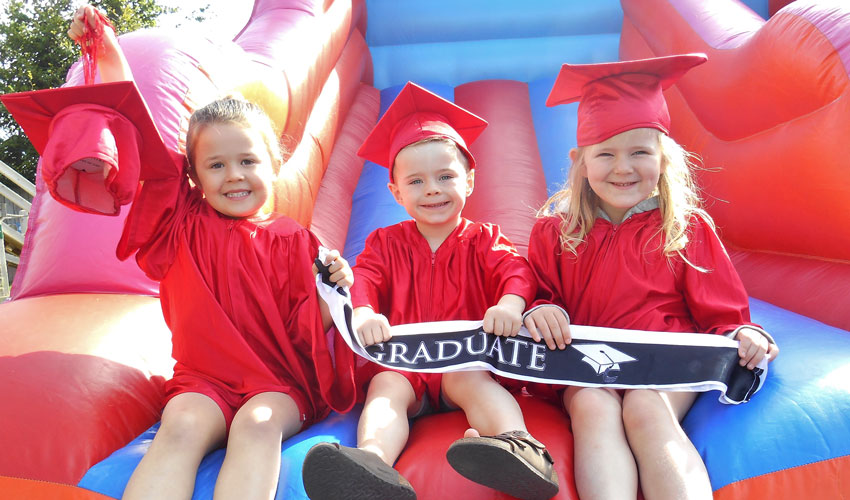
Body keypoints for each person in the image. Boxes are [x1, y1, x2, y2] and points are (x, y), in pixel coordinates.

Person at [4, 6, 358, 500]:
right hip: (204, 379)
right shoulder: (182, 223)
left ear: (274, 162)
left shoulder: (296, 242)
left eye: (247, 161)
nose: (234, 174)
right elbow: (140, 133)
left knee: (256, 425)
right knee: (181, 427)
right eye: (216, 164)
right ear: (193, 176)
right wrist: (106, 48)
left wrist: (334, 290)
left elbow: (305, 327)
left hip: (275, 385)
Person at [522, 53, 779, 500]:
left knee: (646, 407)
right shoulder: (554, 230)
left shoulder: (685, 227)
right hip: (586, 361)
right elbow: (540, 293)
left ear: (664, 158)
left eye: (640, 152)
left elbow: (721, 311)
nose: (623, 168)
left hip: (664, 359)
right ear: (580, 161)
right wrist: (541, 310)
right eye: (606, 154)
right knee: (592, 408)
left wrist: (744, 332)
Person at [301, 82, 559, 500]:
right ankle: (373, 466)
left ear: (470, 181)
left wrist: (510, 303)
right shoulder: (386, 242)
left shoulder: (484, 239)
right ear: (395, 192)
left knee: (474, 381)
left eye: (445, 176)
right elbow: (365, 277)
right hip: (408, 360)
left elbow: (517, 271)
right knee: (387, 390)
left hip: (463, 358)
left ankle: (521, 448)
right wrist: (364, 312)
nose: (433, 189)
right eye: (416, 182)